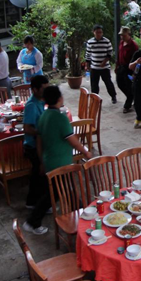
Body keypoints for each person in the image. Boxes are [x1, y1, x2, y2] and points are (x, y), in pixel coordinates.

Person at [22, 85, 92, 235]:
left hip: (49, 160)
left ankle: (84, 215)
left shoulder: (43, 116)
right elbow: (72, 140)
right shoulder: (61, 118)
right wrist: (85, 152)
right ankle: (32, 222)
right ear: (60, 98)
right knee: (56, 193)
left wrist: (42, 161)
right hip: (61, 163)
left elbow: (39, 142)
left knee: (61, 191)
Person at [23, 75, 49, 210]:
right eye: (43, 89)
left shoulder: (41, 101)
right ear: (34, 90)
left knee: (40, 175)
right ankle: (33, 202)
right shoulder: (31, 105)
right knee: (39, 174)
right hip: (32, 146)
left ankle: (37, 201)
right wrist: (41, 133)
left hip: (39, 144)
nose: (46, 92)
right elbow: (27, 128)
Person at [85, 25, 117, 104]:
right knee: (94, 85)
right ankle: (94, 99)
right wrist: (87, 65)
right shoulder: (90, 42)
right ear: (93, 32)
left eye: (100, 32)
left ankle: (113, 96)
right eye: (97, 32)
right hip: (94, 67)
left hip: (105, 67)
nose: (99, 34)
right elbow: (88, 55)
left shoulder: (107, 41)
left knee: (108, 83)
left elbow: (110, 53)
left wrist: (104, 62)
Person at [116, 26, 139, 113]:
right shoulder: (121, 43)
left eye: (124, 35)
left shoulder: (133, 46)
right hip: (121, 67)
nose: (122, 37)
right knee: (120, 83)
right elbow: (119, 55)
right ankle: (132, 96)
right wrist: (117, 66)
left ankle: (127, 105)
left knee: (129, 86)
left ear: (128, 34)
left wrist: (135, 72)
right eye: (121, 35)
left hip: (129, 68)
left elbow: (136, 60)